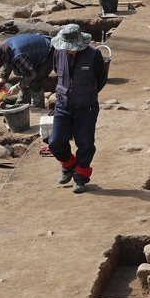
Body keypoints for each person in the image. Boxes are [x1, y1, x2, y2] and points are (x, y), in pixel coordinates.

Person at [47, 24, 108, 194]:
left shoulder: (94, 54)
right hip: (63, 104)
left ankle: (80, 177)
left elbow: (101, 78)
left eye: (72, 48)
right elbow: (56, 71)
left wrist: (86, 94)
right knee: (55, 141)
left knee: (85, 143)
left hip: (86, 108)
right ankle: (68, 165)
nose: (69, 51)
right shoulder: (58, 52)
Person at [0, 34, 53, 108]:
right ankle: (21, 105)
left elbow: (31, 75)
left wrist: (17, 87)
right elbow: (7, 63)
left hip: (47, 52)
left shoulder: (18, 55)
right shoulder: (3, 49)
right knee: (24, 77)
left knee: (35, 81)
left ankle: (38, 108)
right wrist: (2, 78)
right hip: (33, 52)